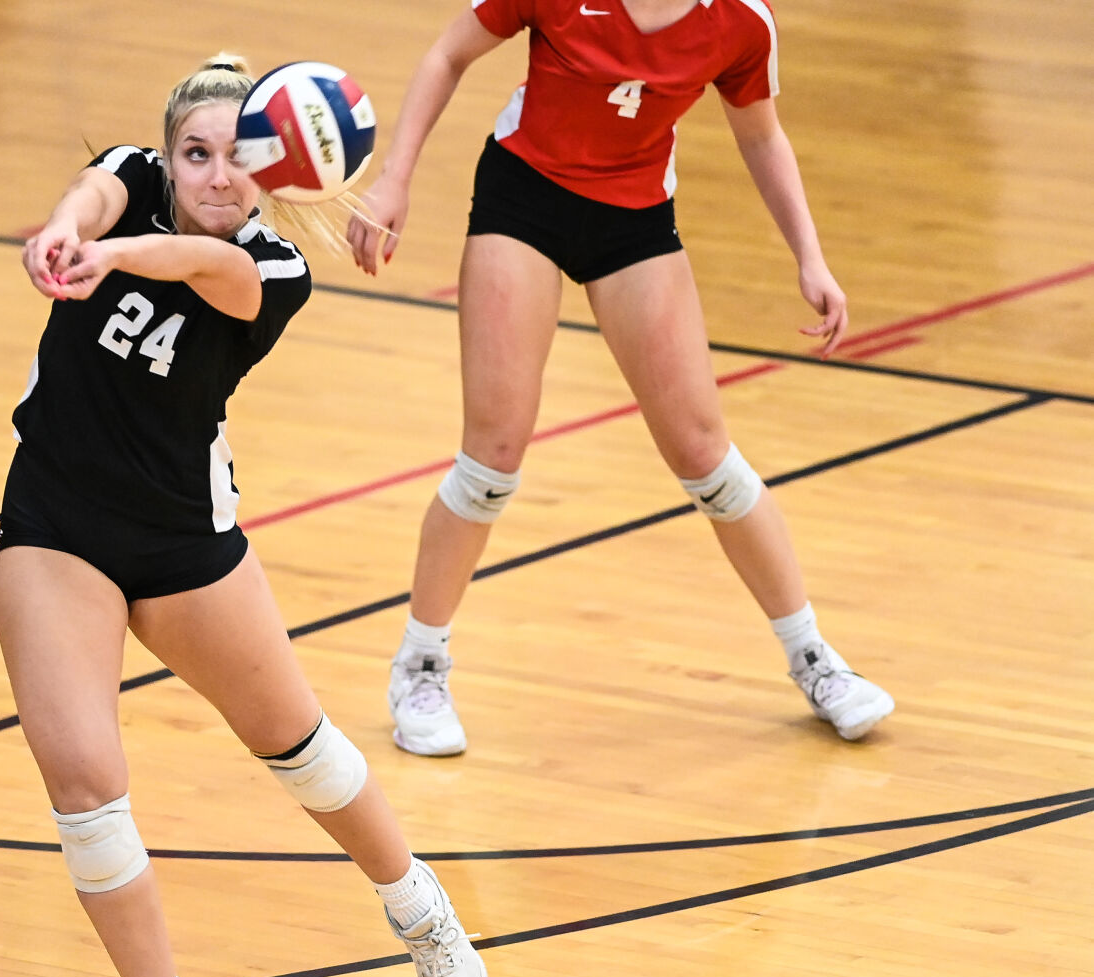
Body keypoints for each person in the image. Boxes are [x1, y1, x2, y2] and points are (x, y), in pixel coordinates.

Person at [0, 55, 488, 977]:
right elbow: (94, 193)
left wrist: (107, 253)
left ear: (275, 174)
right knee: (84, 788)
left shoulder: (267, 267)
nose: (217, 174)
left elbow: (184, 264)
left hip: (185, 542)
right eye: (196, 154)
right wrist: (61, 228)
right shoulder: (124, 179)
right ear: (166, 156)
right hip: (55, 528)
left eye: (240, 156)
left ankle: (418, 909)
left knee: (301, 750)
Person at [346, 0, 895, 756]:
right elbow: (447, 54)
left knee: (707, 459)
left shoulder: (741, 22)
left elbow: (761, 134)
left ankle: (814, 661)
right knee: (491, 459)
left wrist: (809, 256)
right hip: (523, 202)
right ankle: (420, 665)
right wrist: (393, 181)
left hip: (633, 221)